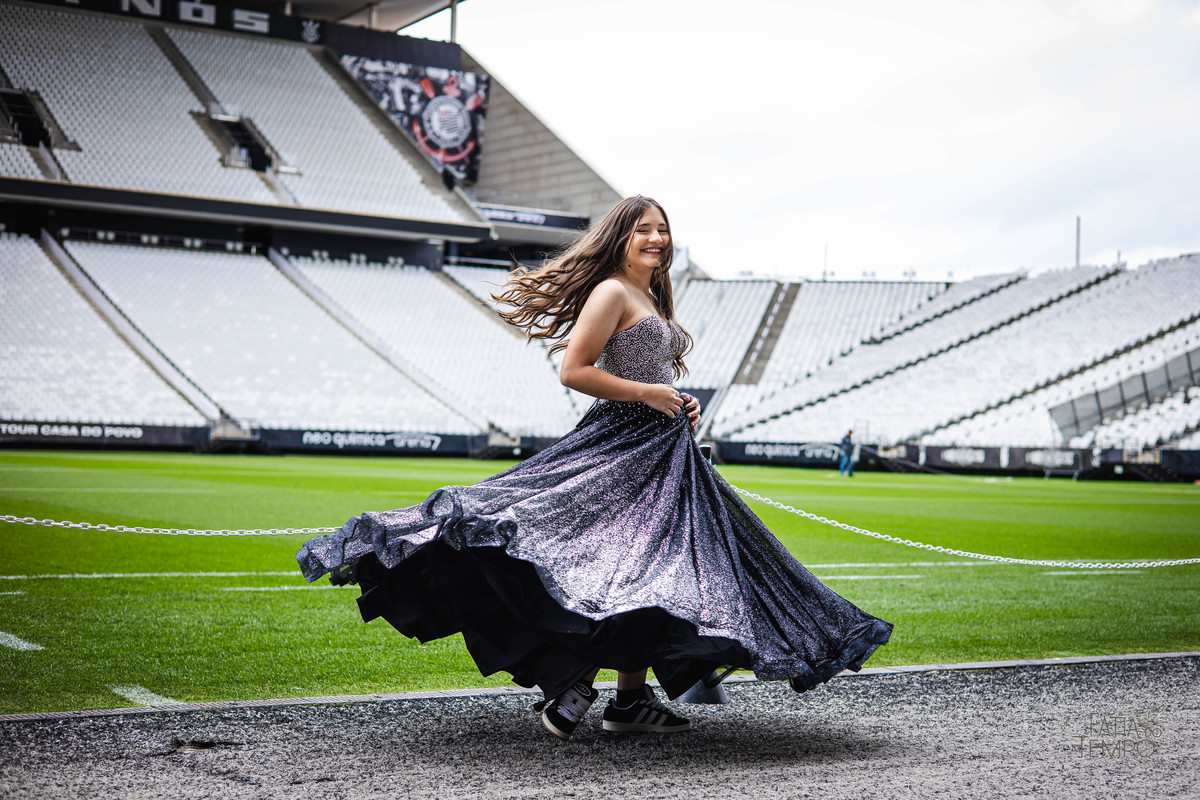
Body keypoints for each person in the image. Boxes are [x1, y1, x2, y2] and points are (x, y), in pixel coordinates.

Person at [296, 196, 892, 741]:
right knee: (607, 563)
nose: (656, 238)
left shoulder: (651, 295)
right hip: (622, 447)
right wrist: (648, 394)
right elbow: (574, 370)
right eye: (643, 230)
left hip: (662, 451)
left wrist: (678, 400)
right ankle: (576, 680)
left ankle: (628, 700)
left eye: (663, 230)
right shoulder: (612, 291)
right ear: (620, 237)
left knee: (650, 570)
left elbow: (650, 375)